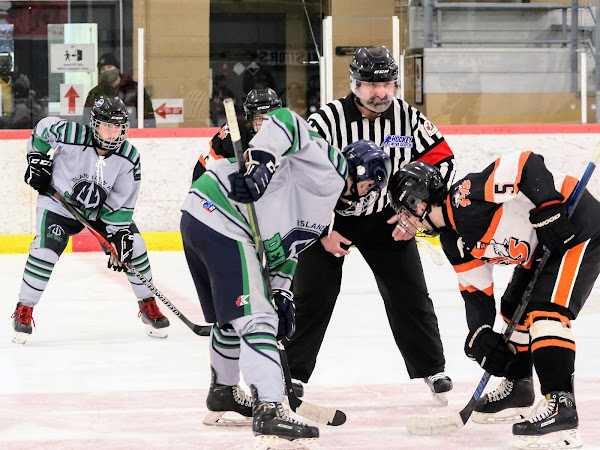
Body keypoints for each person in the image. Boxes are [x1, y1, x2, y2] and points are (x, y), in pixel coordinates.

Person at [180, 106, 391, 446]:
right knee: (256, 318)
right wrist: (262, 162)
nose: (366, 194)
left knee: (232, 318)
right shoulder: (332, 167)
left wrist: (282, 291)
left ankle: (223, 391)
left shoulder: (322, 214)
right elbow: (286, 120)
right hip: (223, 216)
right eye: (369, 187)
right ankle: (270, 408)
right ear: (366, 179)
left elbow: (284, 252)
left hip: (202, 216)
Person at [388, 152, 600, 449]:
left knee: (545, 311)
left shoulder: (466, 197)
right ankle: (520, 388)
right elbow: (476, 293)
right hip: (541, 247)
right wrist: (481, 335)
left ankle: (561, 405)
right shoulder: (452, 239)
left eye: (405, 212)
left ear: (418, 203)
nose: (406, 221)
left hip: (575, 226)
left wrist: (548, 206)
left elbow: (526, 164)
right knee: (513, 308)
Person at [284, 45, 456, 401]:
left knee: (410, 292)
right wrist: (320, 233)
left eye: (388, 84)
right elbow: (296, 179)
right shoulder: (324, 122)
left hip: (386, 219)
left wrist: (414, 215)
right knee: (312, 296)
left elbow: (444, 161)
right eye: (370, 85)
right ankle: (291, 375)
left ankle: (433, 369)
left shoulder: (408, 119)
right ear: (354, 83)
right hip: (331, 221)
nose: (380, 93)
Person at [12, 96, 169, 345]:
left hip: (99, 213)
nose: (112, 132)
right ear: (94, 124)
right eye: (106, 125)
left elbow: (121, 202)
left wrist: (117, 235)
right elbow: (42, 129)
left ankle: (148, 305)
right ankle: (24, 309)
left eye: (117, 126)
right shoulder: (71, 133)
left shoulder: (129, 157)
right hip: (58, 205)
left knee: (134, 245)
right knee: (45, 250)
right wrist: (37, 159)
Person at [192, 87, 281, 183]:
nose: (266, 125)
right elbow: (205, 170)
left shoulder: (289, 138)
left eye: (270, 117)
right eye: (259, 119)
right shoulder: (233, 135)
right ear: (250, 120)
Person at [84, 53, 155, 128]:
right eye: (103, 69)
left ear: (117, 69)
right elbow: (87, 119)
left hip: (134, 134)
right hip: (106, 135)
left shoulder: (135, 88)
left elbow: (148, 117)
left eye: (109, 67)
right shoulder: (95, 93)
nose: (107, 70)